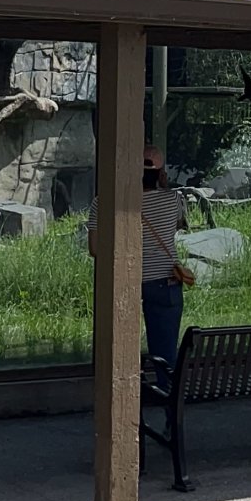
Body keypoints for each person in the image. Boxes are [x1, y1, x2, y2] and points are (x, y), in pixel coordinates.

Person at [85, 149, 193, 385]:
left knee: (121, 351)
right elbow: (176, 227)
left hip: (124, 282)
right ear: (161, 174)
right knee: (166, 355)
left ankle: (126, 401)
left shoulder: (102, 202)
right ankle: (170, 409)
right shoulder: (173, 198)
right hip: (165, 282)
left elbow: (95, 249)